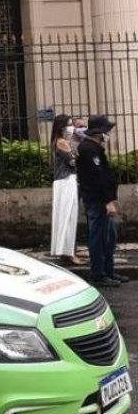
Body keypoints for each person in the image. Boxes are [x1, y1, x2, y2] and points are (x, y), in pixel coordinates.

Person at [76, 115, 123, 287]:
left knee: (109, 238)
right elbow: (97, 178)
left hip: (101, 200)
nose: (107, 134)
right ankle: (98, 274)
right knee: (99, 238)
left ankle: (108, 271)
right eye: (106, 131)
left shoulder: (94, 148)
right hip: (97, 201)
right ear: (99, 132)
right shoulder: (89, 149)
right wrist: (107, 201)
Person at [49, 114, 84, 266]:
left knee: (66, 217)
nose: (72, 128)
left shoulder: (62, 141)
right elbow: (73, 162)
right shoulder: (62, 142)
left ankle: (67, 251)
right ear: (61, 127)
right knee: (67, 217)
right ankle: (68, 253)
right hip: (66, 182)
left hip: (65, 182)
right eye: (69, 124)